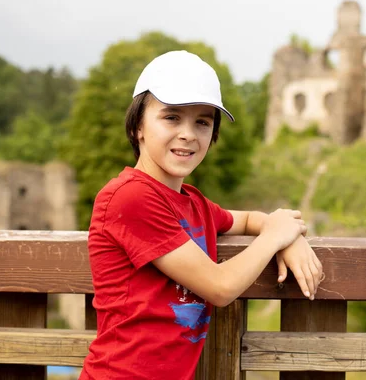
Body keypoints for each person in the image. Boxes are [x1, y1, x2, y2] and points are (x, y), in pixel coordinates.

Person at [79, 50, 323, 380]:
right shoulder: (129, 196)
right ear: (138, 126)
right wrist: (275, 237)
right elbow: (220, 287)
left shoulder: (193, 202)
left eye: (203, 122)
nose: (188, 134)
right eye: (171, 117)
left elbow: (251, 220)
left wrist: (287, 236)